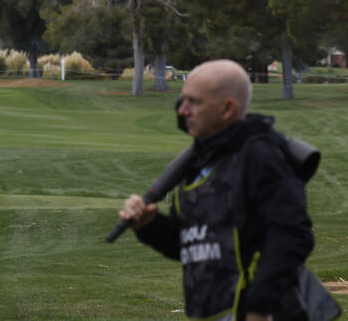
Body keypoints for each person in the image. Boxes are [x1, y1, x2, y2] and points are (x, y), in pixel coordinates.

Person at [117, 59, 315, 321]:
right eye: (182, 100)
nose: (183, 110)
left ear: (227, 109)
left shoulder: (260, 156)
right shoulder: (197, 164)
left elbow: (292, 235)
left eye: (194, 102)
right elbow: (190, 243)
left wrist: (259, 307)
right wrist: (149, 225)